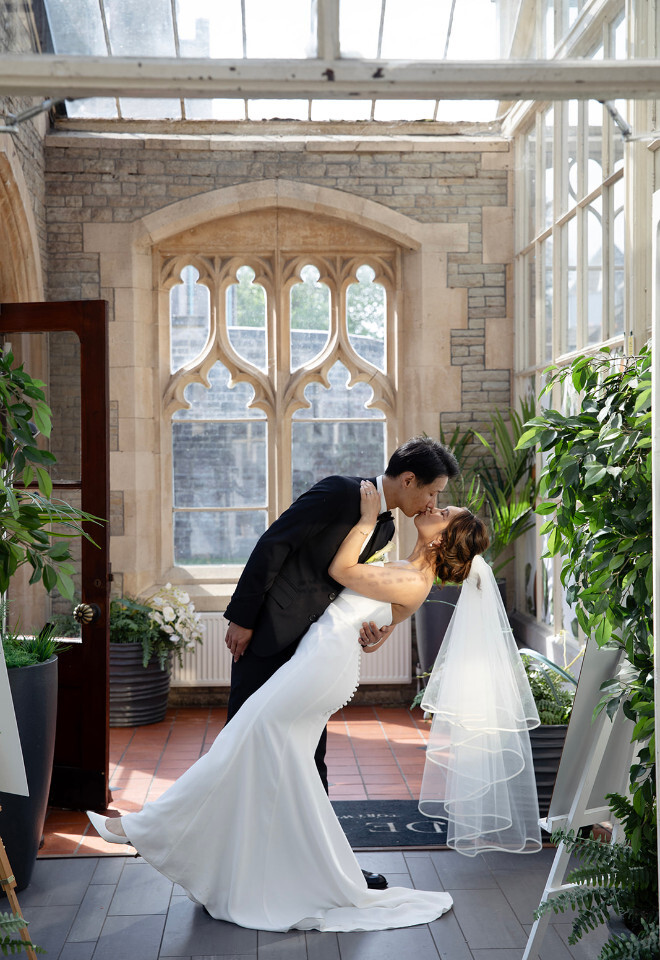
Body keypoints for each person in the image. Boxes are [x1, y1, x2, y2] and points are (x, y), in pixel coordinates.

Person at [87, 484, 488, 933]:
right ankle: (283, 873)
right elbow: (374, 618)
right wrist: (379, 632)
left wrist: (364, 521)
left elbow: (341, 571)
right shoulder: (409, 571)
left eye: (444, 511)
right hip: (316, 661)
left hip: (320, 668)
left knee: (243, 739)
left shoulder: (414, 579)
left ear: (441, 539)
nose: (435, 505)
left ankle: (144, 830)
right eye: (439, 499)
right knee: (281, 767)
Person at [222, 435, 458, 890]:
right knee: (243, 745)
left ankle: (327, 867)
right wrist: (242, 618)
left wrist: (373, 628)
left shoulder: (384, 529)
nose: (432, 502)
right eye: (432, 492)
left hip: (316, 653)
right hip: (269, 636)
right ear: (409, 479)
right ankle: (232, 867)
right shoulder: (338, 491)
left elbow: (354, 591)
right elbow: (273, 544)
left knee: (311, 756)